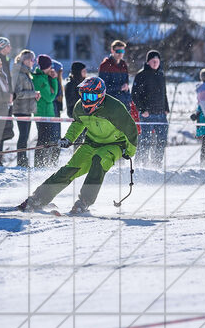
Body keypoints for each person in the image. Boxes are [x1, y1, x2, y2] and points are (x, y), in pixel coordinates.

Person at [10, 76, 137, 215]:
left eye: (91, 96)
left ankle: (84, 201)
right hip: (91, 143)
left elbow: (130, 129)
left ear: (101, 95)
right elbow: (77, 124)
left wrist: (129, 151)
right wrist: (68, 139)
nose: (87, 100)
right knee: (68, 170)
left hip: (114, 144)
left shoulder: (115, 108)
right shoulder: (80, 107)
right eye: (84, 95)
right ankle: (38, 199)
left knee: (99, 161)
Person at [131, 49, 170, 166]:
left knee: (162, 140)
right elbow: (135, 95)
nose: (155, 63)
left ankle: (156, 163)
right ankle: (141, 164)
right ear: (148, 62)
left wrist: (166, 108)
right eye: (153, 61)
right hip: (147, 114)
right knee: (145, 141)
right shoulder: (141, 75)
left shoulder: (161, 75)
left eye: (157, 61)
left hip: (161, 114)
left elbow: (164, 93)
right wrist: (142, 110)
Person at [11, 49, 40, 168]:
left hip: (27, 109)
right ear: (26, 60)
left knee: (25, 136)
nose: (33, 62)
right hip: (21, 109)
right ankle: (21, 161)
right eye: (32, 60)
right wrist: (33, 94)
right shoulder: (19, 73)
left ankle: (23, 160)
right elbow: (18, 93)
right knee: (23, 136)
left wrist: (35, 96)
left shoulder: (26, 73)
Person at [33, 54, 61, 168]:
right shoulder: (39, 78)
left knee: (49, 140)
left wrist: (53, 80)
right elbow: (50, 97)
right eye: (50, 66)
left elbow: (53, 93)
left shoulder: (45, 77)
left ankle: (45, 163)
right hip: (42, 113)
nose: (51, 69)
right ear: (46, 66)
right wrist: (54, 80)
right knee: (42, 140)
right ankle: (38, 164)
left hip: (48, 113)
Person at [98, 39, 131, 106]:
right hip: (111, 104)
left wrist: (129, 99)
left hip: (124, 103)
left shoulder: (124, 65)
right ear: (112, 51)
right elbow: (103, 87)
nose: (120, 53)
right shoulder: (105, 65)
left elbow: (126, 84)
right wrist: (119, 88)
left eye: (122, 51)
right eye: (118, 51)